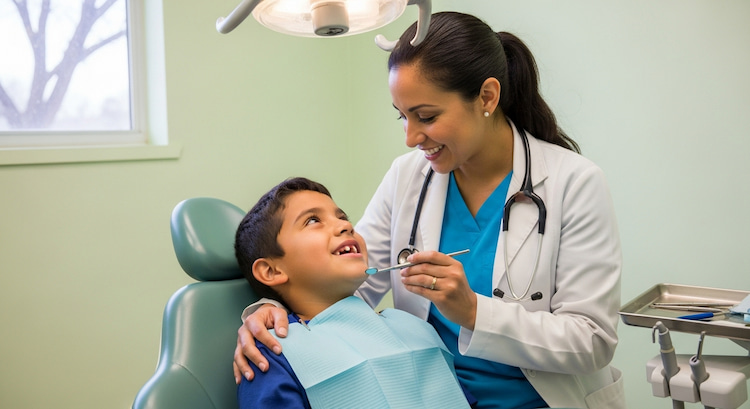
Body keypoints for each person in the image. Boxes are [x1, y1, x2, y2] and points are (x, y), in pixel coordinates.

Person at [235, 12, 624, 409]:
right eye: (402, 116)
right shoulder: (408, 177)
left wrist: (472, 311)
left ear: (487, 97)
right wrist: (271, 312)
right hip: (433, 393)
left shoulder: (572, 182)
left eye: (427, 116)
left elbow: (591, 341)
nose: (410, 138)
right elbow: (347, 281)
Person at [234, 177, 476, 408]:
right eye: (312, 221)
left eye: (342, 217)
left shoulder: (414, 327)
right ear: (271, 271)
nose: (345, 225)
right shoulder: (270, 353)